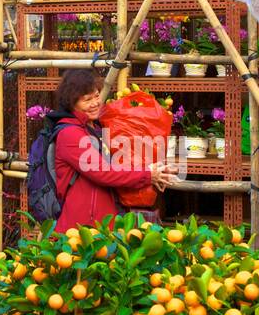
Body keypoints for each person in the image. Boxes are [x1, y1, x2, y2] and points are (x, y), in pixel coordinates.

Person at [49, 69, 175, 234]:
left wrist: (154, 173)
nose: (95, 103)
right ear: (71, 104)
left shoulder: (96, 127)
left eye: (96, 96)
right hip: (81, 228)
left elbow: (121, 163)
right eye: (87, 100)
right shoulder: (70, 134)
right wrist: (146, 175)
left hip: (104, 224)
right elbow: (104, 173)